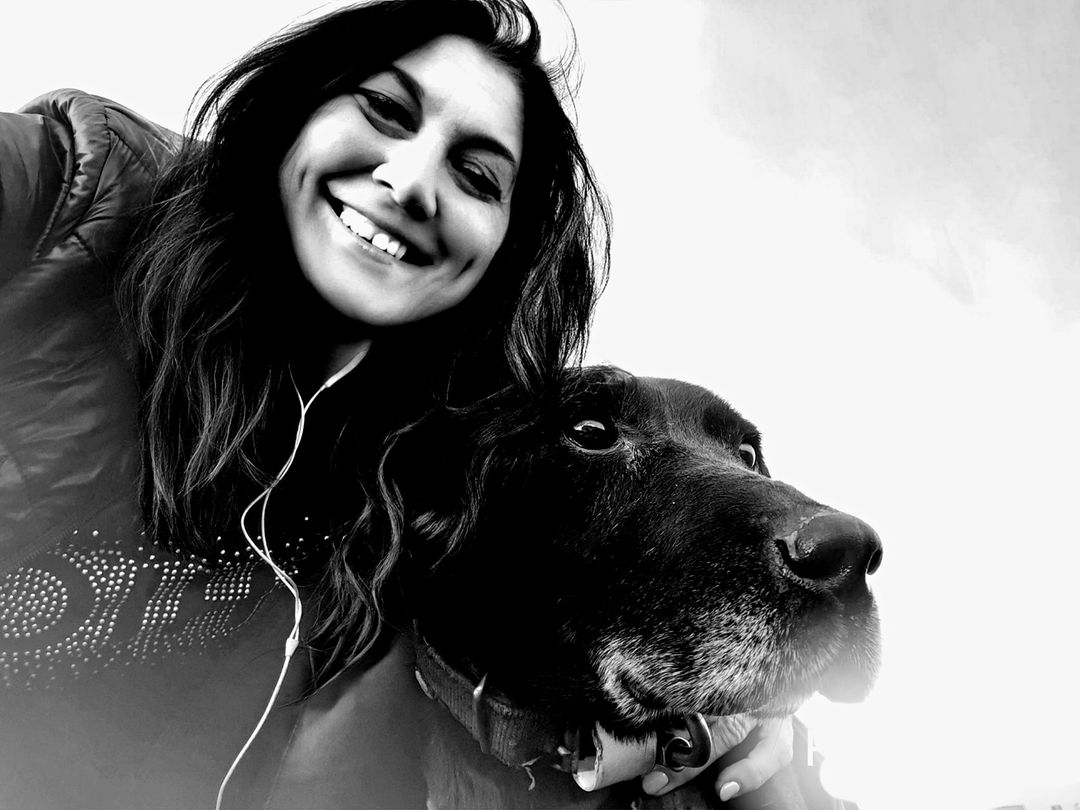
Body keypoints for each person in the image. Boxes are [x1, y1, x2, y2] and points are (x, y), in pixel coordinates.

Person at [0, 0, 797, 806]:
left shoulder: (427, 469)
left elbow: (571, 595)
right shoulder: (74, 186)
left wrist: (744, 703)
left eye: (477, 178)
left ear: (502, 252)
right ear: (299, 108)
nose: (412, 183)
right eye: (384, 109)